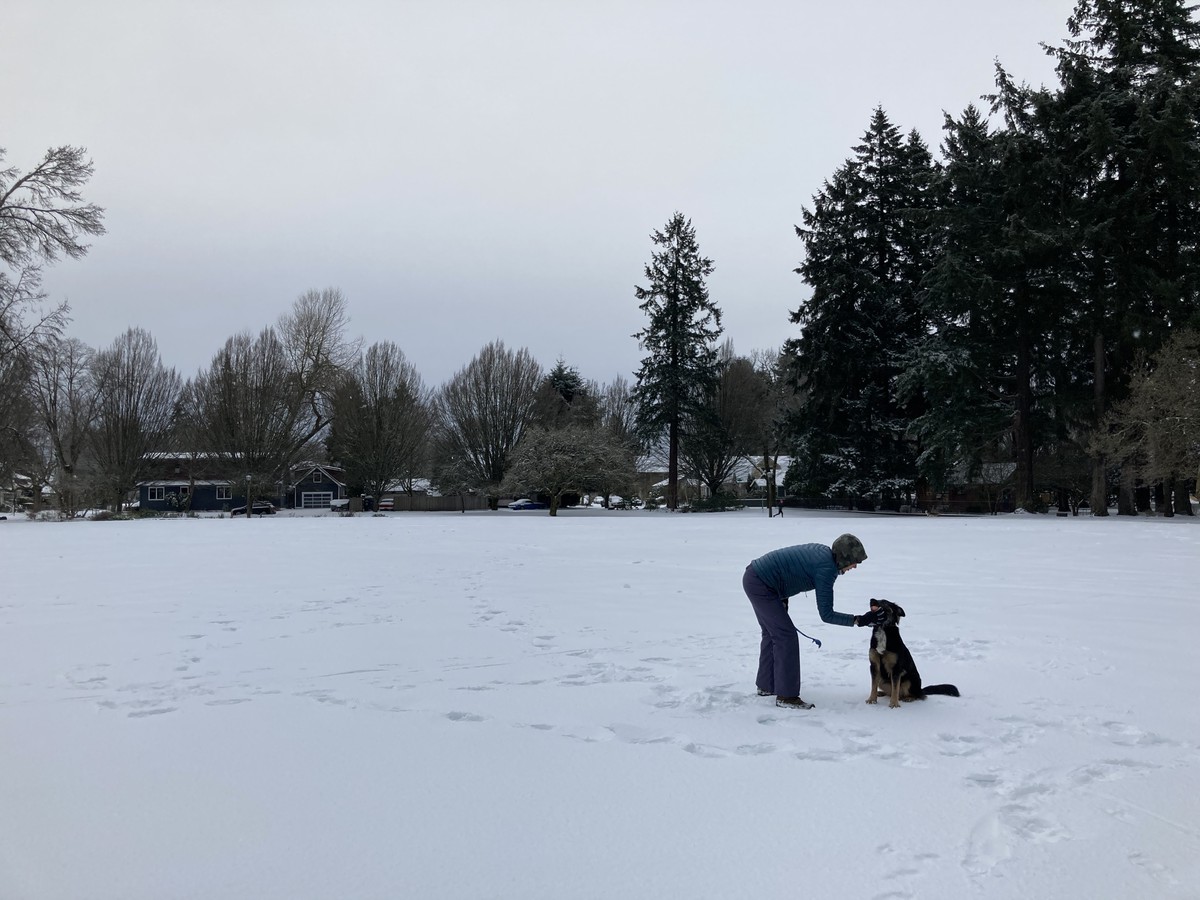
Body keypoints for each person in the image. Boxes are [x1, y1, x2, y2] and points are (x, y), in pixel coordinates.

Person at [742, 533, 874, 709]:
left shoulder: (824, 554)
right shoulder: (826, 569)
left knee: (772, 634)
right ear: (843, 558)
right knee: (785, 636)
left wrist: (782, 596)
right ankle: (787, 697)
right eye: (854, 561)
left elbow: (790, 569)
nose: (855, 566)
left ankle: (767, 685)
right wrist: (858, 620)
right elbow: (826, 614)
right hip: (762, 583)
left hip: (756, 577)